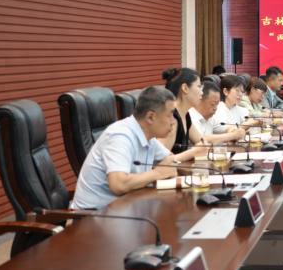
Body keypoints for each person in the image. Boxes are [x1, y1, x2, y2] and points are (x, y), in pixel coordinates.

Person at [71, 86, 203, 209]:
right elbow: (118, 184)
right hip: (92, 216)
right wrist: (158, 173)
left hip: (125, 207)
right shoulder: (120, 136)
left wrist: (167, 168)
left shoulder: (148, 136)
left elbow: (169, 160)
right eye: (170, 115)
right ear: (151, 117)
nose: (173, 121)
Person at [161, 66, 206, 152]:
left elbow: (201, 142)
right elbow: (162, 158)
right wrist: (193, 152)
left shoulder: (185, 114)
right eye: (199, 86)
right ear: (185, 88)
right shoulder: (171, 117)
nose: (202, 92)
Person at [189, 79, 247, 144]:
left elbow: (227, 128)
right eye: (213, 104)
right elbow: (201, 140)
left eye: (217, 104)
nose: (215, 108)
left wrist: (234, 130)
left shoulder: (210, 118)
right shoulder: (191, 116)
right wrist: (232, 135)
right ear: (199, 100)